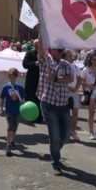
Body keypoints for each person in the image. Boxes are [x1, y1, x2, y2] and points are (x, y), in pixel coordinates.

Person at [37, 35, 73, 175]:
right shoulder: (45, 60)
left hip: (63, 105)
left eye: (62, 50)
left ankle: (55, 149)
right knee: (54, 134)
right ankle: (56, 163)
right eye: (58, 50)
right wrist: (42, 31)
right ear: (51, 49)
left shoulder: (66, 64)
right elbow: (40, 48)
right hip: (49, 104)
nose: (60, 52)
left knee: (65, 136)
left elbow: (70, 79)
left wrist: (56, 79)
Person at [0, 67, 26, 156]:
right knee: (9, 127)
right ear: (9, 77)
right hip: (9, 111)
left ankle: (12, 141)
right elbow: (2, 98)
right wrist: (1, 109)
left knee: (14, 128)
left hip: (17, 111)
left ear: (16, 77)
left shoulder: (20, 87)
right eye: (11, 77)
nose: (13, 79)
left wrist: (23, 104)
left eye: (14, 77)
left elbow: (23, 97)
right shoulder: (6, 87)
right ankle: (8, 145)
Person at [63, 49, 82, 141]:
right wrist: (66, 87)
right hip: (64, 91)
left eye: (70, 56)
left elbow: (79, 79)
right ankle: (63, 131)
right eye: (66, 56)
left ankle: (73, 131)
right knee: (64, 112)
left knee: (75, 112)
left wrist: (75, 89)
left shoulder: (75, 67)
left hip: (74, 92)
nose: (68, 58)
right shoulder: (61, 67)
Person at [22, 39, 42, 123]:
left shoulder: (44, 54)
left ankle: (40, 116)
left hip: (41, 80)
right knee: (31, 98)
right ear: (34, 46)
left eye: (39, 45)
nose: (38, 46)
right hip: (32, 79)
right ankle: (31, 115)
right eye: (36, 45)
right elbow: (25, 64)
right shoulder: (29, 53)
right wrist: (34, 63)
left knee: (40, 99)